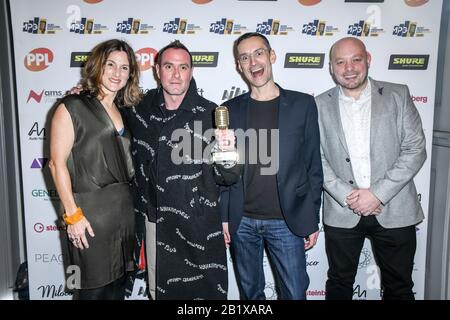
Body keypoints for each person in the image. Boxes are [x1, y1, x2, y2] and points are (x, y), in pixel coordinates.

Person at [122, 40, 238, 300]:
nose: (176, 75)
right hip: (155, 224)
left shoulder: (211, 113)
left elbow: (230, 176)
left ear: (191, 72)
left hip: (200, 226)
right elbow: (104, 111)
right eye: (169, 66)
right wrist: (85, 95)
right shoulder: (137, 109)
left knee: (205, 297)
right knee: (159, 293)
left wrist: (228, 153)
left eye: (183, 67)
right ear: (157, 70)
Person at [315, 37, 426, 300]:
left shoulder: (398, 94)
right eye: (340, 62)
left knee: (399, 287)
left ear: (368, 59)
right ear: (331, 68)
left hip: (395, 207)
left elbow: (415, 149)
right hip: (342, 209)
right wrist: (349, 196)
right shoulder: (318, 105)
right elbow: (315, 158)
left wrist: (376, 194)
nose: (349, 68)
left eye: (356, 59)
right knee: (339, 285)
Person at [220, 32, 323, 300]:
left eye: (258, 53)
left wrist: (312, 217)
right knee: (250, 295)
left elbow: (313, 165)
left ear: (271, 56)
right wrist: (224, 216)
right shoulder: (228, 110)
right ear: (238, 66)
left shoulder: (303, 104)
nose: (253, 62)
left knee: (294, 294)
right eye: (244, 57)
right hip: (242, 221)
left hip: (288, 221)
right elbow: (223, 172)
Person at [49, 39, 142, 300]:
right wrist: (73, 216)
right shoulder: (72, 106)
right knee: (90, 292)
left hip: (123, 214)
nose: (116, 73)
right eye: (110, 65)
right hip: (88, 217)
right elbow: (56, 163)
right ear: (97, 66)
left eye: (124, 68)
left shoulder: (126, 110)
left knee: (116, 292)